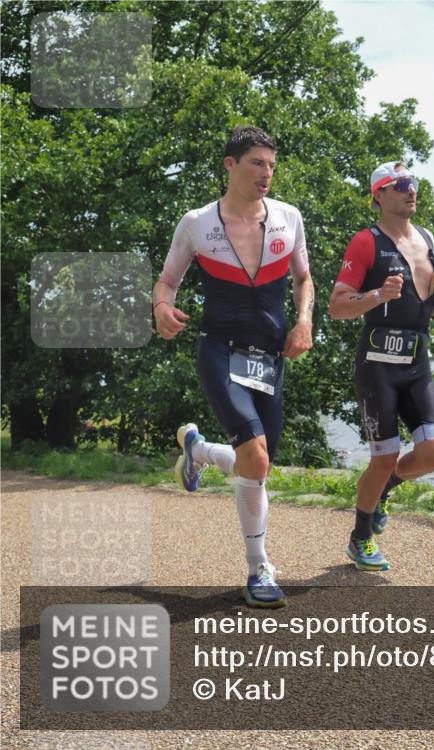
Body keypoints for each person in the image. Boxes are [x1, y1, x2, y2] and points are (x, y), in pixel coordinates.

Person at [152, 126, 313, 608]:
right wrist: (162, 309)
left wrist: (304, 322)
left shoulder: (288, 218)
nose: (267, 173)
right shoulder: (198, 223)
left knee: (256, 466)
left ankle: (198, 453)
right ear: (230, 164)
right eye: (256, 163)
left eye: (271, 164)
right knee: (257, 457)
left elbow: (304, 278)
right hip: (220, 349)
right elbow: (167, 282)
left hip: (270, 356)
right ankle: (259, 569)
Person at [328, 162, 434, 571]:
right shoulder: (366, 243)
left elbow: (418, 295)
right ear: (379, 195)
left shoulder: (426, 237)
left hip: (416, 365)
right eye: (400, 185)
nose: (411, 190)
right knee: (383, 458)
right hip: (378, 367)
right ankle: (360, 537)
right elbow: (336, 307)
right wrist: (377, 295)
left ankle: (384, 492)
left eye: (414, 184)